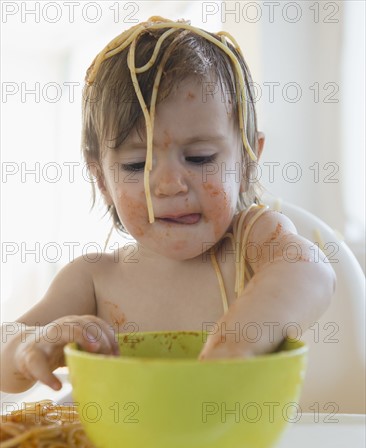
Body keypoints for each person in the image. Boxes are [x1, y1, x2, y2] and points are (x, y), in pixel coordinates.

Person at [0, 17, 335, 394]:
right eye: (135, 165)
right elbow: (4, 361)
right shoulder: (93, 279)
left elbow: (311, 271)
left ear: (246, 162)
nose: (170, 185)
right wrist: (29, 347)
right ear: (101, 180)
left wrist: (235, 345)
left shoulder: (253, 243)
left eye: (199, 157)